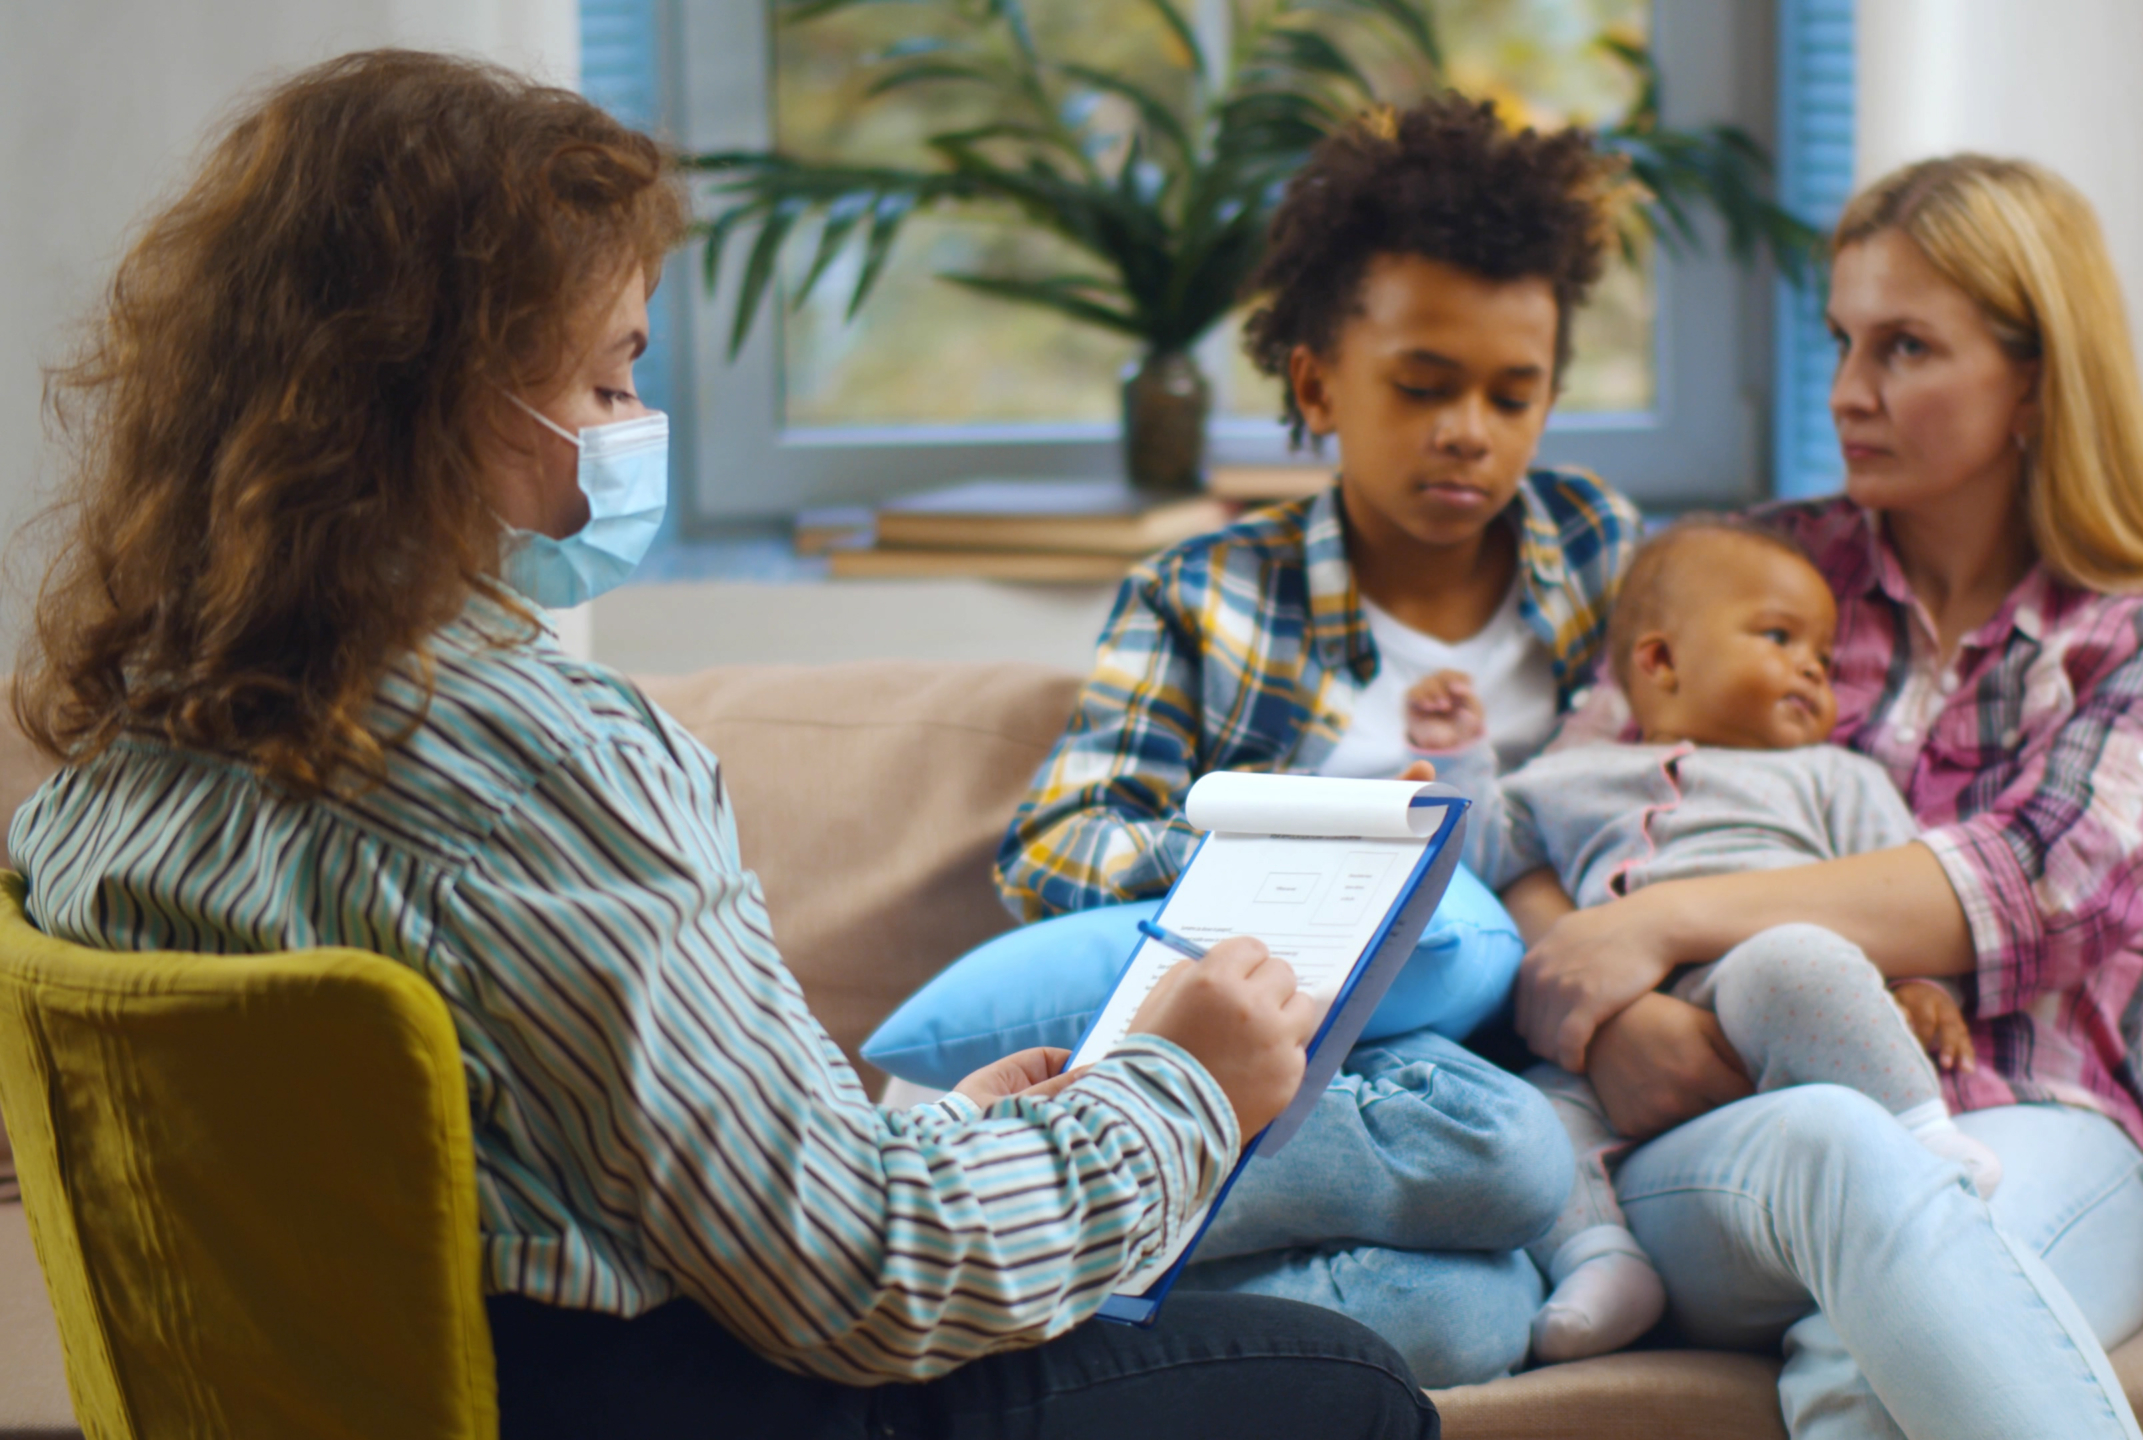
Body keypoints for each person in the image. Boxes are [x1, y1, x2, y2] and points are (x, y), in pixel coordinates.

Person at [6, 51, 1441, 1440]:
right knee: (1347, 1383)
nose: (635, 425)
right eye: (607, 382)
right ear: (437, 404)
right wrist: (1181, 1089)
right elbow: (862, 1276)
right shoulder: (546, 773)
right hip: (657, 1403)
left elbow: (583, 1170)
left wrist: (944, 1131)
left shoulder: (118, 768)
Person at [1503, 154, 2143, 1438]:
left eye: (1904, 347)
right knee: (1841, 1161)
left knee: (1876, 1351)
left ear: (2035, 379)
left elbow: (2043, 886)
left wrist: (1665, 922)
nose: (1848, 392)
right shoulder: (1755, 570)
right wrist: (1601, 1015)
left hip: (2033, 1116)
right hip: (1728, 1128)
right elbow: (1562, 809)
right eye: (1842, 341)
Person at [995, 94, 1640, 1385]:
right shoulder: (1206, 593)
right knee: (1504, 1158)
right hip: (1315, 1071)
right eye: (1423, 385)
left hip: (1522, 1080)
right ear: (1316, 383)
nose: (1470, 429)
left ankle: (1080, 1252)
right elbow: (1053, 849)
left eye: (1513, 394)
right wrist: (1310, 850)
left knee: (1472, 1312)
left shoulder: (1599, 551)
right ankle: (1017, 1205)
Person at [1407, 517, 1997, 1364]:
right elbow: (1491, 856)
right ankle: (1601, 1260)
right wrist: (1459, 758)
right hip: (1617, 1029)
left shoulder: (1837, 775)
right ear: (1660, 662)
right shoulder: (1566, 776)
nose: (1812, 668)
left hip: (1759, 976)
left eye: (1823, 658)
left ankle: (1925, 1139)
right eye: (1780, 638)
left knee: (1801, 960)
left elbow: (1895, 898)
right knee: (1526, 1121)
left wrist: (1924, 992)